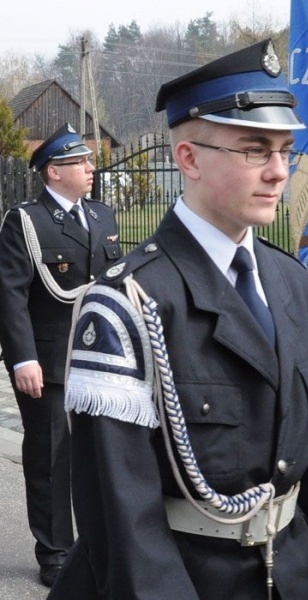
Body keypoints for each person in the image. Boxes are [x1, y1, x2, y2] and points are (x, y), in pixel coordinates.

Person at [47, 40, 308, 599]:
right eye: (255, 150)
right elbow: (121, 522)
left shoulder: (298, 286)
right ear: (188, 159)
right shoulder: (126, 302)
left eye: (286, 151)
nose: (278, 172)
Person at [0, 123, 122, 587]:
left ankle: (96, 542)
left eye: (89, 160)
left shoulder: (103, 216)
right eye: (80, 162)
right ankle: (55, 552)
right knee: (50, 458)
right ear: (54, 171)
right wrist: (22, 358)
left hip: (98, 356)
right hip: (47, 361)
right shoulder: (26, 222)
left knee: (100, 454)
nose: (91, 168)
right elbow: (10, 294)